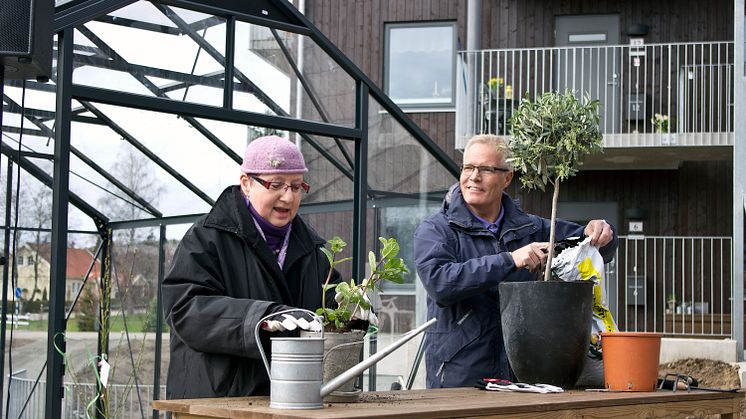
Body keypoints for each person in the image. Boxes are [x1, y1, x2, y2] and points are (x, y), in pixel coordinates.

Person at [413, 134, 618, 389]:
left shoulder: (532, 228)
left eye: (485, 169)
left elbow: (590, 246)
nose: (473, 177)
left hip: (525, 377)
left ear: (507, 177)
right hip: (462, 376)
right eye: (468, 167)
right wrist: (510, 260)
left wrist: (603, 233)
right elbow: (440, 283)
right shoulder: (437, 229)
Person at [162, 135, 340, 399]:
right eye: (276, 184)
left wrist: (351, 313)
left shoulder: (316, 252)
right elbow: (185, 309)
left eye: (296, 186)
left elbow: (328, 313)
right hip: (217, 403)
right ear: (246, 183)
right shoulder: (207, 238)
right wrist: (261, 318)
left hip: (290, 399)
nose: (288, 197)